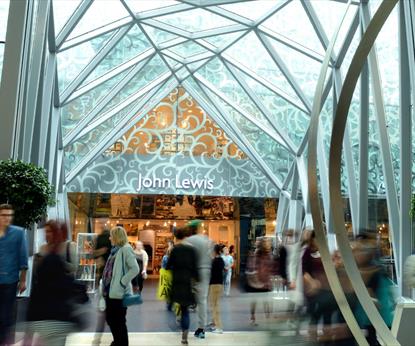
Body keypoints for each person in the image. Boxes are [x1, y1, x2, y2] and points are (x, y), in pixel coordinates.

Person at [26, 220, 82, 346]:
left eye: (50, 231)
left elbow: (74, 268)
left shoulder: (69, 246)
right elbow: (38, 276)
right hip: (43, 304)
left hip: (62, 301)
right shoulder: (42, 248)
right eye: (46, 232)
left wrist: (58, 262)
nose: (47, 235)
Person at [102, 226, 139, 346]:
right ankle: (117, 341)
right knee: (111, 319)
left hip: (119, 293)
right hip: (110, 291)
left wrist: (122, 282)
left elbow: (135, 269)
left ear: (117, 237)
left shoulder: (125, 249)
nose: (109, 237)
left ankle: (120, 343)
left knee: (118, 322)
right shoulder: (115, 250)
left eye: (111, 235)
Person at [0, 204, 28, 345]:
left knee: (6, 315)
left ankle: (5, 341)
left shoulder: (18, 233)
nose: (7, 218)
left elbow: (23, 259)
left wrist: (23, 280)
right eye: (4, 215)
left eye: (10, 215)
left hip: (9, 280)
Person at [166, 227, 199, 345]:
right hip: (187, 283)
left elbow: (168, 266)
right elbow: (195, 268)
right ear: (186, 237)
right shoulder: (192, 250)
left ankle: (175, 322)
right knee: (185, 310)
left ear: (176, 238)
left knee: (171, 305)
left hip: (176, 282)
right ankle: (184, 337)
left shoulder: (175, 250)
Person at [184, 220, 212, 339]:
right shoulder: (207, 240)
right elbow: (212, 256)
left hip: (193, 272)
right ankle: (201, 329)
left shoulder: (188, 241)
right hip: (206, 271)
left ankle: (183, 324)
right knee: (202, 301)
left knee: (184, 299)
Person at [92, 228, 111, 346]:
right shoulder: (115, 252)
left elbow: (94, 255)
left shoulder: (101, 248)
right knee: (111, 314)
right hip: (110, 283)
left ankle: (96, 339)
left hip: (103, 282)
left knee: (102, 312)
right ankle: (97, 339)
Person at [209, 244, 225, 333]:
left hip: (214, 285)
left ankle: (219, 327)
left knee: (215, 306)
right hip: (219, 284)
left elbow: (211, 273)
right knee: (214, 304)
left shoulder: (215, 261)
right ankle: (214, 323)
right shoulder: (220, 260)